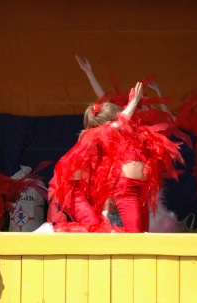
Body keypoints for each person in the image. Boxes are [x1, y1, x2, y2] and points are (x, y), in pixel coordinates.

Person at [49, 83, 185, 232]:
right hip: (74, 193)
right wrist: (133, 102)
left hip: (100, 190)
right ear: (108, 124)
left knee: (126, 231)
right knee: (93, 225)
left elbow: (105, 173)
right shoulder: (91, 135)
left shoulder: (109, 141)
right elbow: (119, 122)